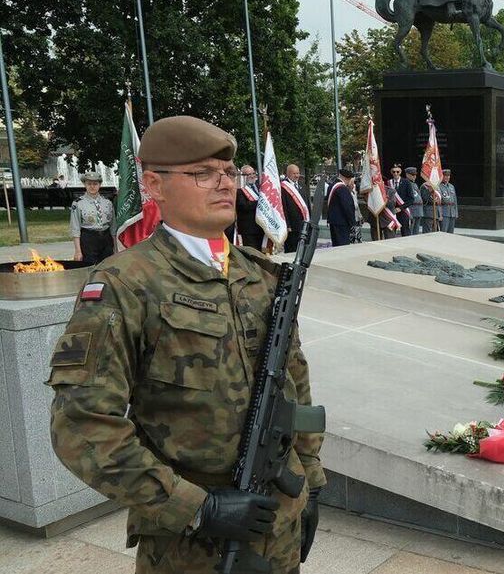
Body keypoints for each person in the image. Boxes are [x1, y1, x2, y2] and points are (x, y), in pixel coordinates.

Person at [48, 116, 324, 573]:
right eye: (202, 173)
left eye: (228, 172)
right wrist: (196, 507)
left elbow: (295, 385)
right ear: (154, 184)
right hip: (190, 542)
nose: (224, 183)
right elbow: (80, 425)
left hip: (279, 518)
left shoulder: (259, 274)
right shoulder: (125, 284)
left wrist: (311, 479)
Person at [70, 172, 116, 265]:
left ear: (100, 185)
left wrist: (115, 247)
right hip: (89, 239)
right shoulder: (78, 203)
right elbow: (75, 228)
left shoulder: (107, 203)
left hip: (106, 239)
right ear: (85, 184)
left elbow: (113, 226)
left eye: (95, 184)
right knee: (90, 267)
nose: (92, 186)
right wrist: (78, 251)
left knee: (107, 266)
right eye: (89, 184)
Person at [281, 164, 311, 253]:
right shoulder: (283, 187)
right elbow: (283, 207)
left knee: (304, 248)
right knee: (292, 249)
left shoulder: (302, 184)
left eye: (298, 173)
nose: (297, 175)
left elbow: (307, 203)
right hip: (292, 225)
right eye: (294, 173)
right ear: (288, 173)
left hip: (304, 223)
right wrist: (287, 225)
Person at [234, 165, 264, 249]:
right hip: (248, 228)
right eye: (249, 174)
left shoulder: (259, 186)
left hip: (261, 226)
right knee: (252, 253)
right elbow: (243, 206)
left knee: (262, 253)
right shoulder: (239, 189)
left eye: (253, 173)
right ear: (243, 176)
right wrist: (260, 203)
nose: (252, 176)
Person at [326, 168, 357, 246]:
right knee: (343, 245)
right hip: (342, 222)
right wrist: (352, 222)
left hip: (333, 221)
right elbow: (347, 206)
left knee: (336, 245)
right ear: (347, 179)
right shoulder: (342, 188)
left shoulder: (331, 186)